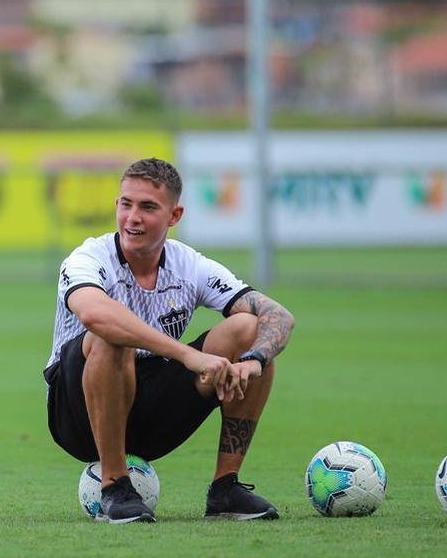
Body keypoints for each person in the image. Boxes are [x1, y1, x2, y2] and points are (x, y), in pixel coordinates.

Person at [44, 157, 295, 523]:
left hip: (154, 416)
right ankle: (114, 486)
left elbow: (279, 317)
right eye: (126, 204)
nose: (133, 217)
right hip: (78, 414)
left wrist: (254, 360)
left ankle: (225, 488)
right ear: (116, 206)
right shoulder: (87, 258)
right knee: (112, 337)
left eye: (148, 207)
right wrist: (189, 357)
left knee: (247, 329)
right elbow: (95, 315)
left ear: (174, 216)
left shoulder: (190, 265)